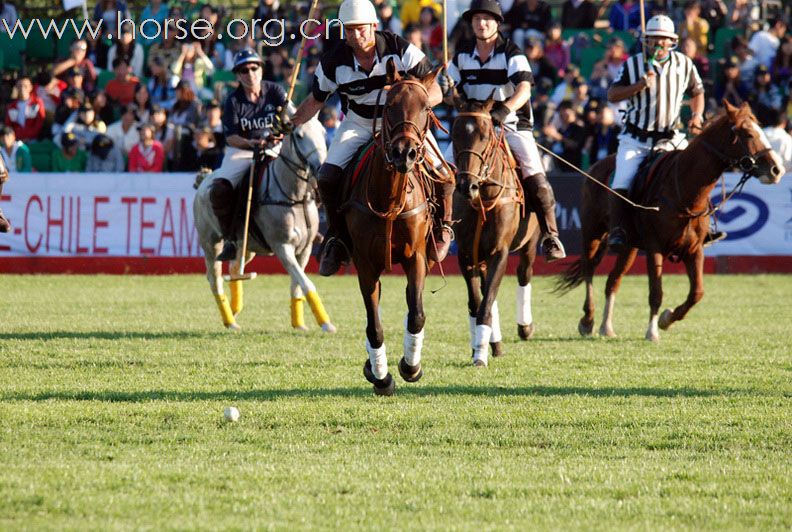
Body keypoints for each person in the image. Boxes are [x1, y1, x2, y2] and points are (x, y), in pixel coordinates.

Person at [290, 0, 454, 275]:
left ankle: (442, 227)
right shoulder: (333, 60)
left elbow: (433, 89)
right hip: (359, 122)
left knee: (444, 174)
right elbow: (316, 100)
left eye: (362, 29)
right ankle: (337, 238)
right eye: (350, 30)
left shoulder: (399, 48)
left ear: (374, 26)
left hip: (401, 124)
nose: (357, 35)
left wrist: (431, 96)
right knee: (327, 176)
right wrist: (292, 121)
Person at [443, 0, 566, 262]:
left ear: (497, 23)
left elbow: (524, 89)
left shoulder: (512, 52)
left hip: (510, 125)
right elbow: (447, 89)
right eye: (476, 19)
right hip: (474, 129)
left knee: (536, 176)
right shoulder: (462, 54)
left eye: (487, 19)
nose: (481, 23)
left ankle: (550, 235)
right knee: (441, 171)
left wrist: (502, 112)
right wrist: (445, 88)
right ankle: (440, 230)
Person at [606, 14, 705, 250]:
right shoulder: (632, 64)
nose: (659, 44)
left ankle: (703, 227)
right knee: (622, 179)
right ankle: (618, 230)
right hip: (636, 139)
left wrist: (697, 115)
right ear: (646, 41)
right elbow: (612, 95)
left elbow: (697, 92)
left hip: (671, 137)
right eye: (653, 39)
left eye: (664, 39)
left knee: (695, 174)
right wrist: (639, 86)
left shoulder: (685, 63)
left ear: (673, 41)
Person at [206, 48, 292, 261]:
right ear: (237, 75)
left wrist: (282, 130)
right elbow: (231, 137)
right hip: (243, 151)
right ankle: (230, 238)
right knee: (220, 187)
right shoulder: (233, 100)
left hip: (276, 148)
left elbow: (291, 118)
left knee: (307, 169)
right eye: (244, 70)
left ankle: (314, 224)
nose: (250, 73)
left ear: (261, 69)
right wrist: (251, 144)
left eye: (254, 68)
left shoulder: (275, 91)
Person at [5, 77, 46, 142]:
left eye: (25, 86)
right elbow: (8, 125)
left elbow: (39, 123)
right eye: (20, 86)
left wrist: (28, 136)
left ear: (31, 87)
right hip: (16, 140)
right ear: (16, 87)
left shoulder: (37, 102)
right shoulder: (11, 106)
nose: (22, 88)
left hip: (33, 139)